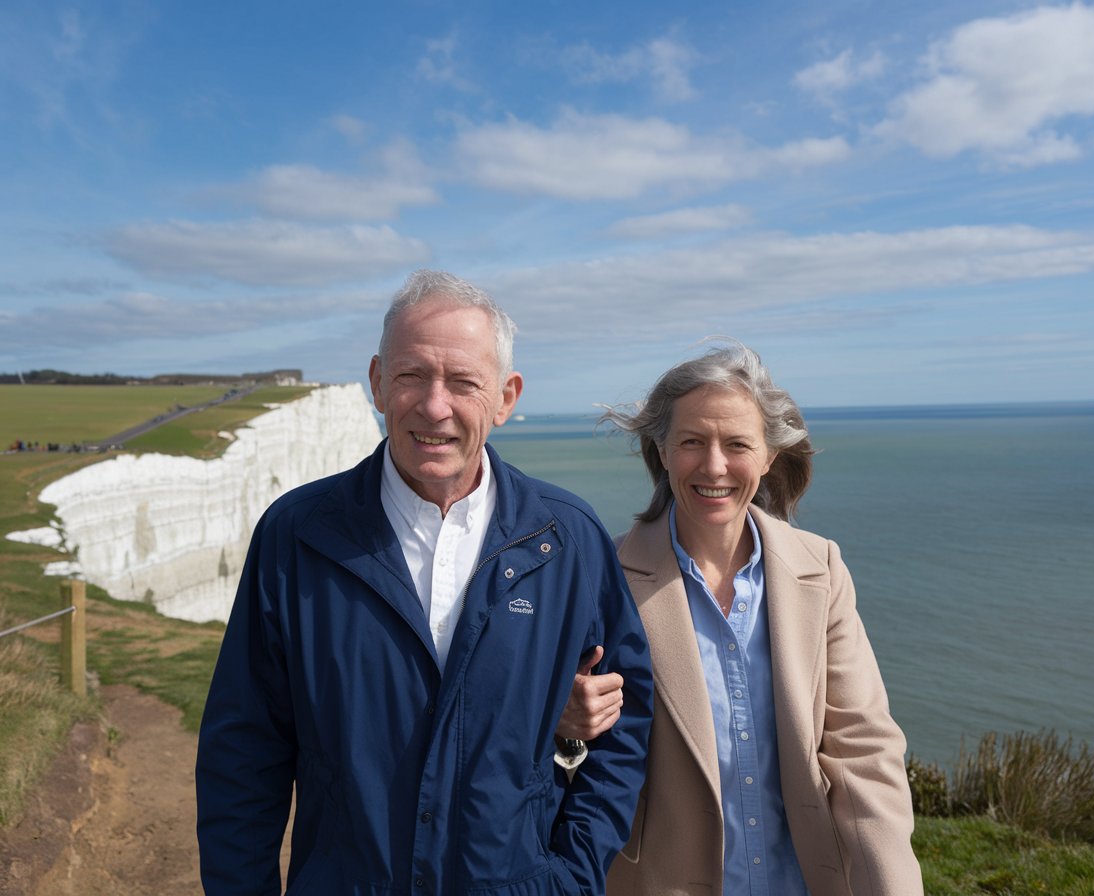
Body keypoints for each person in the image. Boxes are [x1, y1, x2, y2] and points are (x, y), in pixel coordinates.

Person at [196, 270, 653, 896]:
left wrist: (569, 876)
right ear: (378, 382)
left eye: (464, 382)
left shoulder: (567, 540)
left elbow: (624, 723)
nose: (434, 405)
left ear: (505, 397)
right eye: (412, 375)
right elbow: (243, 754)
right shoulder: (298, 535)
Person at [562, 340, 922, 895]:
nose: (714, 466)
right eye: (691, 442)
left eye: (736, 444)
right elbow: (555, 753)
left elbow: (863, 750)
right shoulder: (601, 579)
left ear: (769, 455)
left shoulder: (820, 569)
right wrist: (564, 724)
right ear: (660, 449)